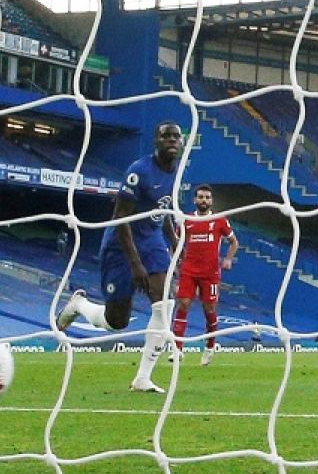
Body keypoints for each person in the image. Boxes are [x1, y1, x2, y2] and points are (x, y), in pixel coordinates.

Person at [57, 121, 183, 393]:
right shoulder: (139, 172)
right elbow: (120, 218)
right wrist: (135, 263)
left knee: (165, 302)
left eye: (176, 136)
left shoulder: (177, 173)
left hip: (151, 241)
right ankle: (78, 305)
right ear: (156, 142)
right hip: (121, 243)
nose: (172, 140)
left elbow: (164, 211)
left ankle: (143, 377)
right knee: (117, 321)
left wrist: (174, 242)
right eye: (166, 136)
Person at [169, 184, 239, 366]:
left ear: (211, 201)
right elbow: (176, 242)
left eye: (207, 197)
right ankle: (177, 348)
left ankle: (210, 346)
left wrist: (228, 259)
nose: (204, 200)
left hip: (210, 273)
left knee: (209, 309)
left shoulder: (219, 220)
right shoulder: (186, 220)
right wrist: (176, 261)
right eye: (200, 197)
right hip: (189, 271)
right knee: (183, 303)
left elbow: (234, 242)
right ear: (195, 200)